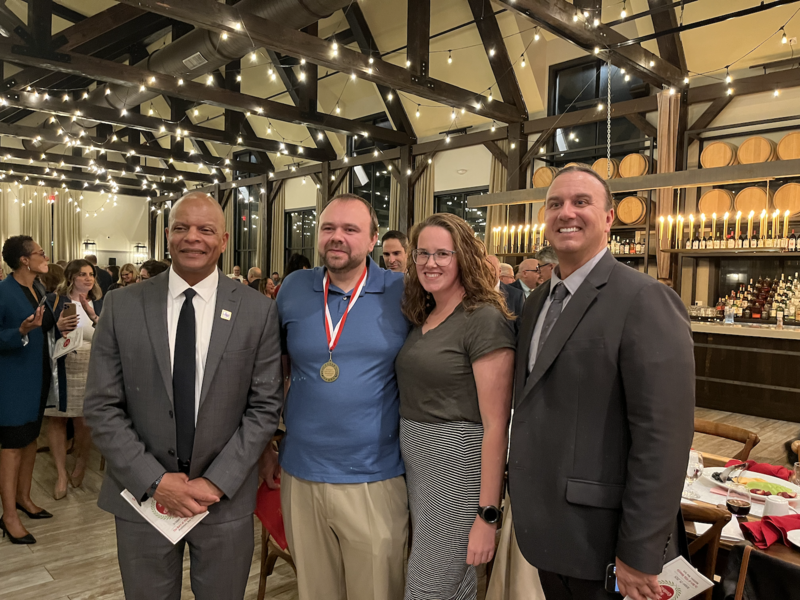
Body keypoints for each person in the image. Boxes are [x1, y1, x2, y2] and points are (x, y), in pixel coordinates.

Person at [84, 192, 283, 600]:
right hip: (143, 499)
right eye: (181, 227)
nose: (193, 237)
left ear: (224, 240)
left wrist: (216, 481)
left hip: (223, 500)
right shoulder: (121, 306)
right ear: (168, 236)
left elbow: (264, 408)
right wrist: (155, 481)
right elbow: (102, 407)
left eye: (205, 229)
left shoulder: (257, 310)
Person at [509, 165, 694, 600]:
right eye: (555, 203)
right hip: (550, 532)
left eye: (581, 202)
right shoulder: (536, 303)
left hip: (608, 542)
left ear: (609, 218)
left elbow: (663, 439)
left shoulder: (644, 299)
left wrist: (640, 551)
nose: (565, 213)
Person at [263, 193, 409, 600]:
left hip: (375, 476)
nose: (337, 237)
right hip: (300, 472)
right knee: (315, 592)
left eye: (350, 229)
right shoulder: (294, 287)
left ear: (373, 238)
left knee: (377, 592)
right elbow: (272, 370)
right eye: (328, 228)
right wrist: (265, 444)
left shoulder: (404, 292)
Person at [397, 213, 515, 600]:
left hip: (455, 468)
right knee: (452, 589)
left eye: (443, 254)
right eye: (423, 253)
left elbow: (496, 426)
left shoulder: (484, 318)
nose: (431, 263)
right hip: (418, 468)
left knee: (427, 589)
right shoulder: (425, 315)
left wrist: (487, 516)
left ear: (463, 256)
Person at [0, 236, 76, 544]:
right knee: (12, 447)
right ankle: (8, 515)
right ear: (24, 260)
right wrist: (19, 331)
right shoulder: (3, 292)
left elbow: (42, 326)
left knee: (31, 440)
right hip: (13, 381)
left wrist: (62, 328)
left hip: (39, 375)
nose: (46, 256)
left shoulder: (40, 289)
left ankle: (23, 498)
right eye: (40, 253)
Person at [45, 259, 104, 500]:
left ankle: (80, 463)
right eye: (82, 274)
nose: (88, 278)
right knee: (57, 419)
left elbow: (112, 336)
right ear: (70, 278)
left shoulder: (101, 302)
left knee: (84, 420)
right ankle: (60, 473)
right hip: (62, 364)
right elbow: (41, 333)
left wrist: (94, 316)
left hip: (92, 366)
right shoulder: (56, 301)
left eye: (91, 274)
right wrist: (55, 326)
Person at [487, 255, 525, 321]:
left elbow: (520, 325)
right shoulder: (472, 292)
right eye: (483, 269)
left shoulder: (516, 295)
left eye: (492, 270)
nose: (487, 274)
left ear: (499, 271)